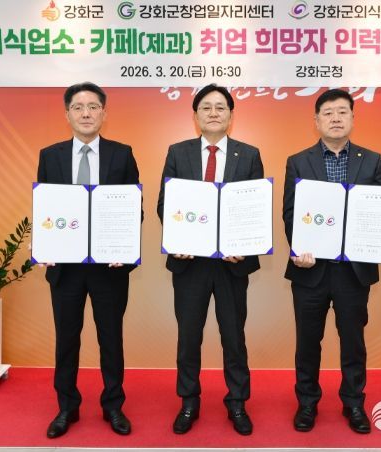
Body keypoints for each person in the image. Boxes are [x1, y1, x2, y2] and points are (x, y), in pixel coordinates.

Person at [282, 88, 381, 434]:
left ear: (353, 118)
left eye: (342, 112)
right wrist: (298, 249)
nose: (335, 118)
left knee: (353, 342)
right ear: (316, 121)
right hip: (310, 270)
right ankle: (307, 403)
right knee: (308, 342)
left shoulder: (372, 160)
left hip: (354, 272)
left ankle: (354, 403)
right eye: (328, 113)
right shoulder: (298, 161)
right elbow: (291, 213)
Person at [156, 84, 263, 435]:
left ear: (231, 115)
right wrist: (178, 239)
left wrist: (246, 244)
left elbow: (255, 208)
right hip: (191, 263)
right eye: (206, 107)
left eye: (220, 107)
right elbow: (165, 204)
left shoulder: (249, 154)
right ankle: (189, 402)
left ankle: (237, 402)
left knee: (234, 337)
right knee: (189, 337)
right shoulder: (178, 152)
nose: (213, 113)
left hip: (232, 263)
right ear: (195, 116)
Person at [37, 82, 140, 438]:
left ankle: (113, 405)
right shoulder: (50, 156)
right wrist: (44, 243)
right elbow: (45, 208)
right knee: (67, 339)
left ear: (104, 113)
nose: (86, 113)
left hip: (109, 269)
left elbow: (134, 209)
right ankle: (67, 406)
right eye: (78, 107)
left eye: (93, 107)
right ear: (67, 114)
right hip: (65, 269)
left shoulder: (122, 154)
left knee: (111, 339)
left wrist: (125, 247)